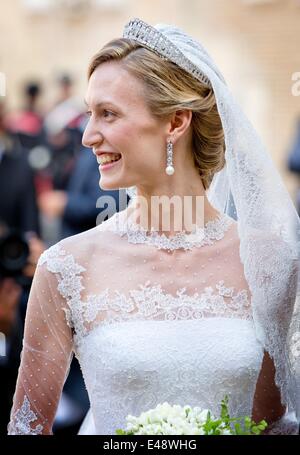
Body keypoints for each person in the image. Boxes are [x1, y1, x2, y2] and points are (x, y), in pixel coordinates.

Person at [7, 18, 300, 435]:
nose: (89, 135)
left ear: (176, 122)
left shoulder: (269, 262)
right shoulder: (66, 268)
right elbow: (27, 430)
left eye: (108, 114)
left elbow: (271, 423)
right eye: (90, 114)